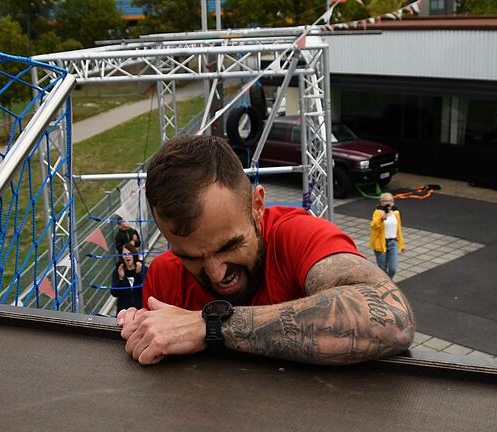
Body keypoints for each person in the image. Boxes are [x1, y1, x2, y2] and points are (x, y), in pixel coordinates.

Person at [117, 135, 414, 366]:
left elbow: (393, 320)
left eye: (229, 245)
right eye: (190, 257)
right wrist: (140, 332)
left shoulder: (297, 236)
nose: (217, 274)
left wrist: (209, 326)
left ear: (257, 205)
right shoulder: (166, 275)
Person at [370, 193, 405, 280]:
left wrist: (401, 245)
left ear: (393, 202)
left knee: (393, 268)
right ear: (381, 202)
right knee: (382, 269)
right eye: (385, 201)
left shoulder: (396, 213)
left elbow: (398, 230)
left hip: (393, 243)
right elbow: (373, 226)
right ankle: (385, 284)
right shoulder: (378, 212)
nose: (387, 203)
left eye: (390, 201)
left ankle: (388, 281)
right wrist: (382, 217)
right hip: (380, 244)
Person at [111, 247, 146, 312]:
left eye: (130, 253)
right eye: (124, 254)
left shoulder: (144, 269)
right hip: (123, 311)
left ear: (134, 255)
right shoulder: (117, 271)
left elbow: (146, 291)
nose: (127, 256)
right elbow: (114, 293)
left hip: (141, 310)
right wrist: (121, 278)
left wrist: (138, 274)